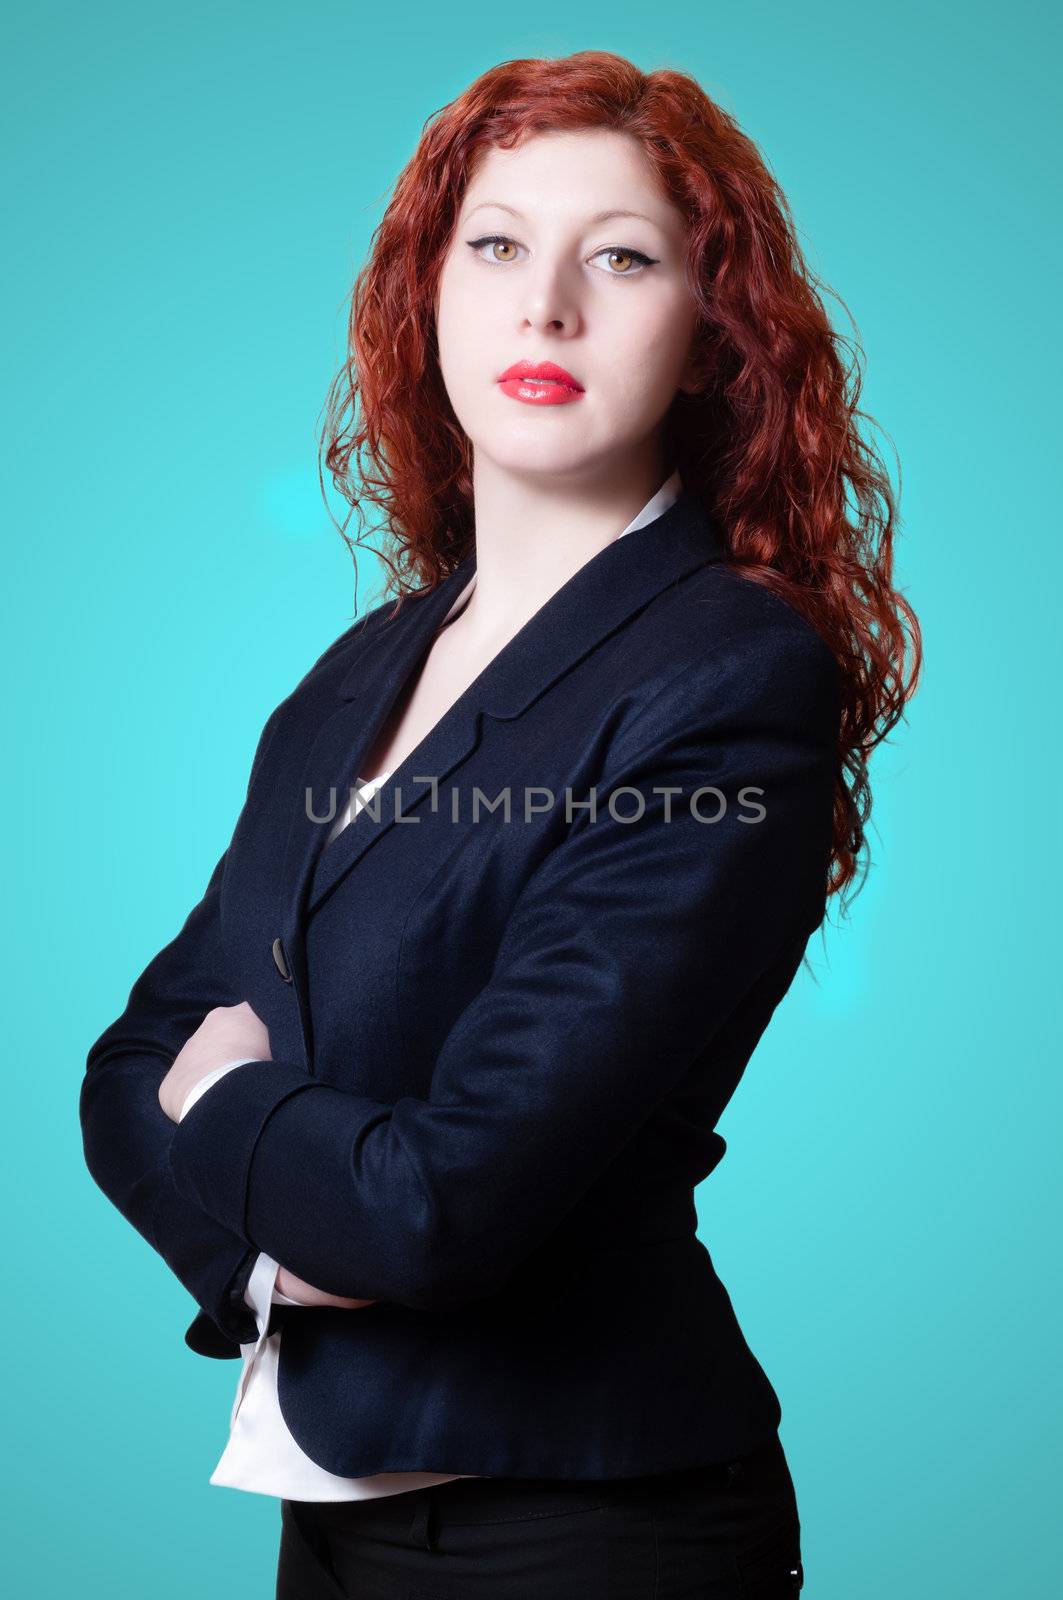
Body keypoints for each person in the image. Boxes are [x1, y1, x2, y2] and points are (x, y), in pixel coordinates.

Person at [80, 48, 920, 1600]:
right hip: (329, 1515)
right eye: (498, 245)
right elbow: (132, 1066)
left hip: (588, 1534)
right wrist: (280, 1244)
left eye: (622, 255)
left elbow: (440, 1206)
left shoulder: (731, 678)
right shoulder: (358, 674)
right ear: (432, 295)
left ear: (710, 334)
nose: (547, 306)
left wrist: (238, 1126)